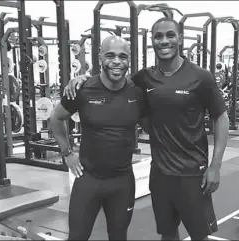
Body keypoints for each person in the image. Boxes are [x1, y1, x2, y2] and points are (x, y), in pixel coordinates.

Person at [64, 17, 229, 241]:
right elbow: (113, 76)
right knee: (168, 233)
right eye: (158, 36)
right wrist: (81, 79)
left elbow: (221, 117)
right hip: (160, 174)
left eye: (170, 35)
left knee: (199, 236)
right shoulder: (144, 78)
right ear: (152, 41)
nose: (164, 41)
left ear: (179, 38)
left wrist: (215, 166)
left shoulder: (201, 77)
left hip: (192, 173)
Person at [49, 36, 145, 240]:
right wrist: (67, 153)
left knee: (119, 236)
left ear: (129, 60)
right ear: (100, 58)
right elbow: (56, 118)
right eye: (110, 55)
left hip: (122, 181)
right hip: (89, 179)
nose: (117, 61)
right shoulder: (82, 89)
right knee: (77, 236)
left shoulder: (138, 92)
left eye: (123, 56)